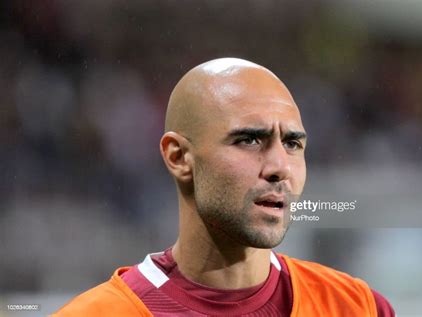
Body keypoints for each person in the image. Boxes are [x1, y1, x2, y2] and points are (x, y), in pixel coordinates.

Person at [53, 58, 395, 316]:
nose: (279, 168)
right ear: (179, 157)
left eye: (292, 144)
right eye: (249, 140)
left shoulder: (357, 307)